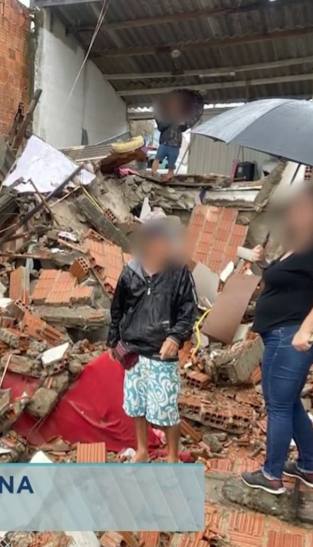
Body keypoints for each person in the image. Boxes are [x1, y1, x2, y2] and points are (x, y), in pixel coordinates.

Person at [240, 182, 313, 495]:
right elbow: (285, 286)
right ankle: (308, 467)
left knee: (278, 407)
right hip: (283, 335)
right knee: (289, 404)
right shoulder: (297, 245)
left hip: (290, 338)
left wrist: (304, 329)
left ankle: (271, 475)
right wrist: (262, 262)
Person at [107, 218, 198, 463]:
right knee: (136, 406)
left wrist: (175, 337)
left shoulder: (178, 272)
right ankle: (142, 450)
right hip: (133, 351)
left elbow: (188, 310)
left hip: (161, 353)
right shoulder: (131, 272)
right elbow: (117, 309)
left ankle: (171, 457)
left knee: (166, 409)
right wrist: (113, 341)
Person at [151, 95, 188, 183]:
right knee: (157, 158)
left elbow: (184, 128)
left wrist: (183, 124)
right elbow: (161, 126)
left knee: (172, 164)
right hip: (165, 142)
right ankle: (153, 174)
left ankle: (169, 177)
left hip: (175, 144)